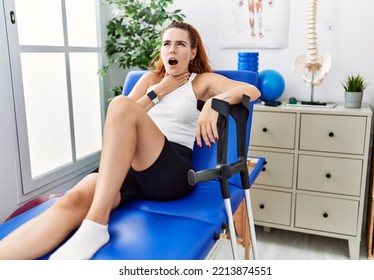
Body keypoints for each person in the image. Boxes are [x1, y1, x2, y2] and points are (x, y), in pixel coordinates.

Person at [0, 21, 260, 260]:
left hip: (170, 171)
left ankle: (96, 224)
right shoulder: (150, 80)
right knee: (73, 199)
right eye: (167, 43)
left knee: (121, 103)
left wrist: (215, 102)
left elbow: (251, 89)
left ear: (192, 53)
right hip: (130, 169)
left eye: (181, 44)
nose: (173, 49)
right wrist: (157, 92)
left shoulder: (200, 82)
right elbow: (120, 120)